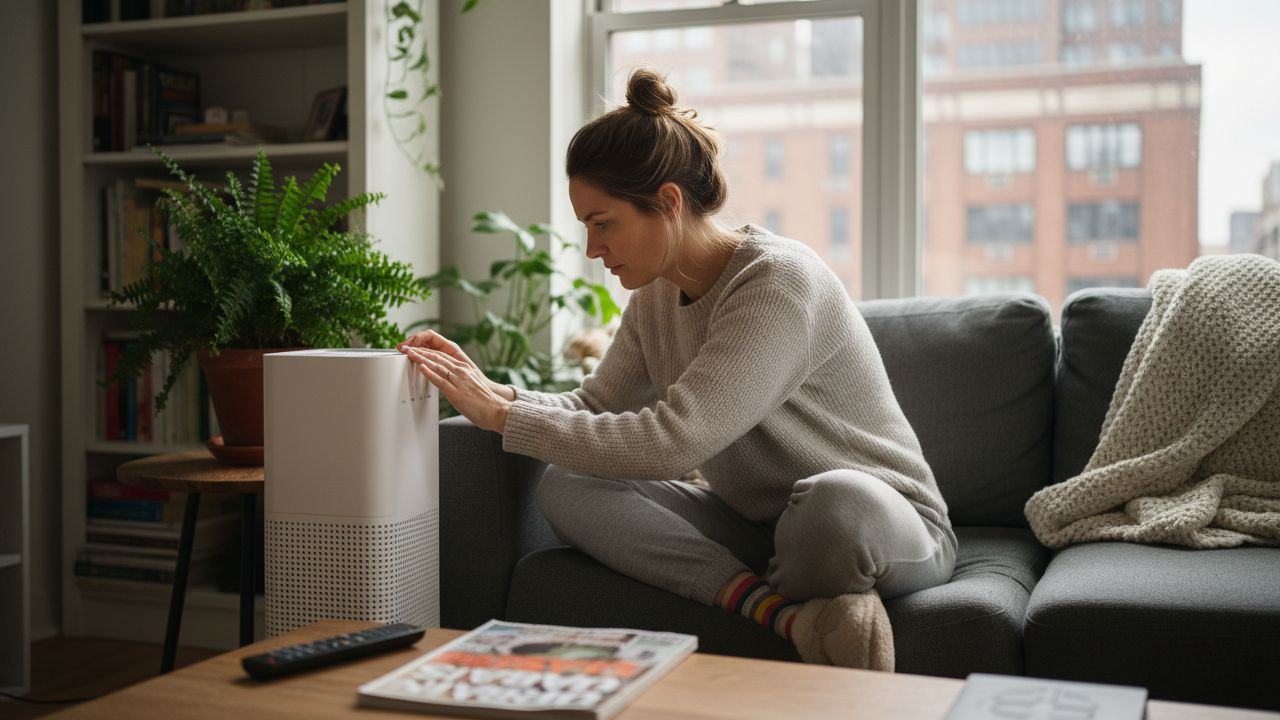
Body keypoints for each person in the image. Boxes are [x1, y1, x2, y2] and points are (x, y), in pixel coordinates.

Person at [397, 68, 956, 671]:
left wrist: (506, 416)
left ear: (667, 202)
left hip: (881, 523)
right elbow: (593, 408)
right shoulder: (654, 298)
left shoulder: (777, 281)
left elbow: (675, 439)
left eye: (602, 223)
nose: (592, 249)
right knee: (567, 485)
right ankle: (781, 612)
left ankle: (807, 592)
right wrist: (493, 392)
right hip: (757, 529)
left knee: (831, 505)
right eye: (586, 226)